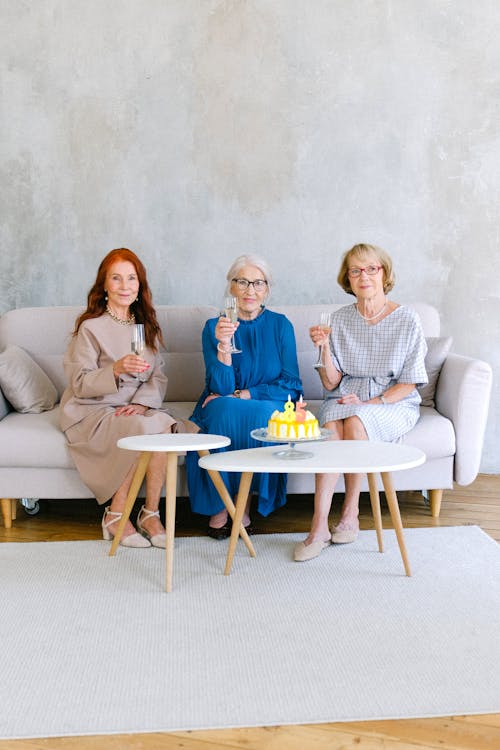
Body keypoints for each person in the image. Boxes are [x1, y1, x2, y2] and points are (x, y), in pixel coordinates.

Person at [294, 243, 428, 562]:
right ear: (348, 279)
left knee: (357, 421)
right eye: (356, 270)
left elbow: (409, 381)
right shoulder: (338, 319)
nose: (364, 276)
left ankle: (350, 511)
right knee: (329, 427)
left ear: (384, 273)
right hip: (346, 392)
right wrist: (324, 348)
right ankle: (318, 527)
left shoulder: (407, 319)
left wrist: (373, 402)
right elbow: (330, 382)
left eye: (371, 268)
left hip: (392, 399)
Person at [60, 248, 196, 548]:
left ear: (140, 284)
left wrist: (144, 403)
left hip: (131, 407)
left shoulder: (145, 325)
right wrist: (116, 369)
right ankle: (116, 514)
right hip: (92, 408)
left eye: (131, 278)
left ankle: (150, 513)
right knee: (139, 429)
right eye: (116, 278)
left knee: (160, 425)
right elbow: (79, 382)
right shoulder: (90, 328)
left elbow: (158, 374)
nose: (125, 286)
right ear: (104, 285)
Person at [186, 254, 303, 538]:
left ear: (267, 289)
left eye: (258, 283)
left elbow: (292, 384)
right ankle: (220, 506)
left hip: (266, 401)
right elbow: (221, 389)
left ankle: (244, 505)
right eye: (243, 282)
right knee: (225, 409)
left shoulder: (281, 325)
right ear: (231, 287)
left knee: (262, 415)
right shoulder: (212, 327)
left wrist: (246, 394)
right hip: (221, 401)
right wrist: (223, 345)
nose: (250, 290)